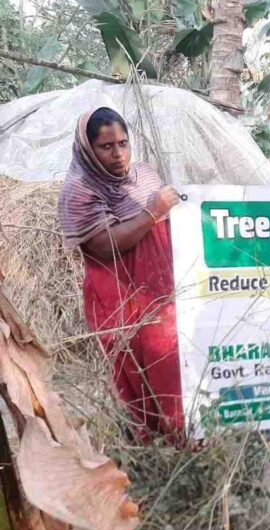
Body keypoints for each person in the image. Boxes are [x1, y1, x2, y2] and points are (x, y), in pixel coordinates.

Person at [58, 107, 184, 442]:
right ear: (88, 148)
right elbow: (104, 247)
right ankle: (153, 452)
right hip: (120, 298)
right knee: (139, 378)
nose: (118, 154)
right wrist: (153, 211)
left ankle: (184, 443)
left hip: (161, 291)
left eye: (123, 143)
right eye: (107, 146)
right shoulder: (80, 189)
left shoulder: (143, 175)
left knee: (174, 367)